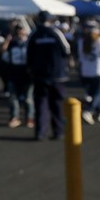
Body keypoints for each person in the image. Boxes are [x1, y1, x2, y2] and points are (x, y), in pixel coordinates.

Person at [26, 11, 71, 141]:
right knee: (56, 104)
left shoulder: (34, 35)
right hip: (57, 76)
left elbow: (28, 54)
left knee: (41, 105)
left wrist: (32, 69)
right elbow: (66, 50)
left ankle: (40, 132)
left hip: (40, 76)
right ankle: (58, 131)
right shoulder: (56, 33)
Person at [0, 18, 34, 129]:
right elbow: (2, 51)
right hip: (13, 73)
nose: (20, 32)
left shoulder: (29, 43)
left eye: (22, 29)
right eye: (18, 30)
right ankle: (14, 117)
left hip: (26, 74)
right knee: (13, 97)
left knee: (28, 98)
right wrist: (8, 39)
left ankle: (29, 118)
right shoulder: (12, 43)